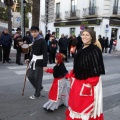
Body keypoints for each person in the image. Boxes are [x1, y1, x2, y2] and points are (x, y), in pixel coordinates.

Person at [65, 27, 105, 120]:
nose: (84, 37)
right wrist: (72, 74)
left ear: (92, 37)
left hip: (88, 81)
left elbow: (96, 68)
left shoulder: (94, 50)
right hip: (79, 80)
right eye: (83, 35)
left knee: (84, 106)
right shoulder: (82, 48)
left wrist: (89, 83)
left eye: (87, 35)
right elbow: (79, 64)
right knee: (76, 104)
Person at [25, 26, 48, 99]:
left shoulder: (42, 40)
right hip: (33, 60)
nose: (33, 33)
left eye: (35, 32)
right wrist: (29, 59)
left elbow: (45, 53)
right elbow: (32, 51)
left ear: (38, 32)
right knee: (30, 76)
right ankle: (39, 88)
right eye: (32, 32)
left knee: (38, 78)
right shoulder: (33, 39)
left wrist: (45, 65)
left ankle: (37, 94)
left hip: (40, 61)